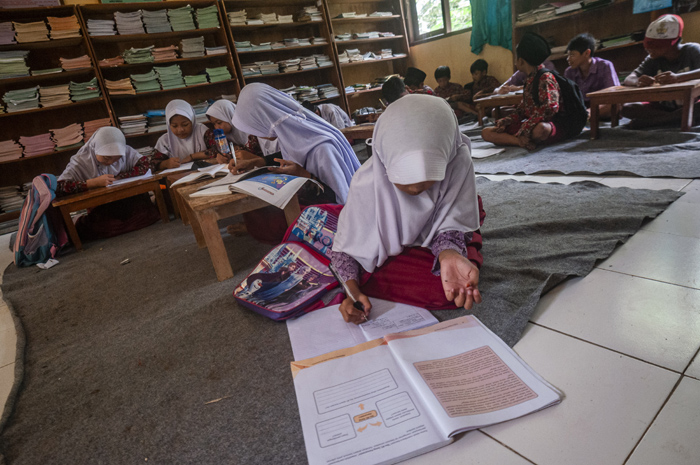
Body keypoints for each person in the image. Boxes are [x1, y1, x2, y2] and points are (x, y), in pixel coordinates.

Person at [329, 94, 485, 323]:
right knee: (440, 287)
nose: (415, 187)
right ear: (384, 160)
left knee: (449, 287)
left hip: (436, 236)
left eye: (431, 174)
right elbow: (344, 249)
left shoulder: (458, 163)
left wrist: (448, 252)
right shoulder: (368, 183)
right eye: (402, 175)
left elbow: (452, 223)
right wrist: (351, 291)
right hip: (391, 241)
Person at [230, 83, 361, 243]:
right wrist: (258, 161)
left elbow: (340, 198)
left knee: (271, 217)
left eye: (254, 127)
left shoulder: (322, 149)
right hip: (312, 196)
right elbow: (295, 152)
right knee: (259, 208)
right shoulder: (295, 134)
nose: (253, 133)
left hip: (337, 211)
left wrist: (304, 175)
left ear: (267, 118)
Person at [56, 127, 160, 239]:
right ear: (95, 148)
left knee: (148, 216)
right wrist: (92, 183)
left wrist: (120, 177)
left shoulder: (127, 152)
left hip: (129, 199)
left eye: (117, 159)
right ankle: (80, 221)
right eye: (106, 158)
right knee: (106, 227)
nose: (110, 163)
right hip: (102, 206)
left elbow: (146, 165)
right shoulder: (81, 161)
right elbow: (60, 187)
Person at [482, 32, 568, 150]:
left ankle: (522, 137)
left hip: (550, 123)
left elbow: (550, 108)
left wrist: (527, 126)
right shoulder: (529, 80)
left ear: (521, 61)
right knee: (486, 132)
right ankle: (519, 141)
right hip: (530, 123)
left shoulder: (545, 77)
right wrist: (506, 121)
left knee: (541, 129)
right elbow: (522, 110)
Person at [622, 14, 700, 128]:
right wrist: (638, 81)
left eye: (655, 45)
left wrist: (678, 78)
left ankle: (656, 122)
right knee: (627, 108)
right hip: (665, 108)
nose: (648, 49)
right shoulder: (653, 58)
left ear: (671, 44)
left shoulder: (692, 50)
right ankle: (677, 119)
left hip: (694, 103)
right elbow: (629, 79)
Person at [152, 99, 220, 170]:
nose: (180, 130)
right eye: (174, 126)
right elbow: (153, 164)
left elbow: (218, 150)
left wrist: (192, 157)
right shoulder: (165, 141)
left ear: (192, 120)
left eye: (185, 124)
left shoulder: (202, 131)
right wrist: (165, 164)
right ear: (169, 125)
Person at [564, 33, 619, 118]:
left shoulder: (605, 66)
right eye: (568, 55)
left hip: (603, 109)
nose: (568, 59)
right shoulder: (569, 72)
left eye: (572, 55)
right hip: (582, 111)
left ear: (587, 53)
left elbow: (613, 96)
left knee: (613, 103)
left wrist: (588, 113)